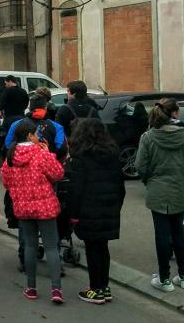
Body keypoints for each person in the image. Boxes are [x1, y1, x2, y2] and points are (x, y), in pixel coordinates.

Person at [134, 98, 184, 293]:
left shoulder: (148, 137)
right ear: (174, 113)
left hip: (158, 191)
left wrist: (148, 180)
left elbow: (140, 166)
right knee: (179, 232)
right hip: (182, 191)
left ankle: (164, 278)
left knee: (161, 235)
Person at [1, 120, 65, 304]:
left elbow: (6, 182)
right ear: (29, 135)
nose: (39, 137)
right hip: (45, 206)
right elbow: (58, 173)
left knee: (30, 246)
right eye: (37, 134)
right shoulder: (40, 154)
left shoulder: (10, 157)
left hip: (23, 207)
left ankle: (31, 287)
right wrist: (48, 154)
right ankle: (56, 289)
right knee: (51, 247)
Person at [66, 118, 125, 304]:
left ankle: (95, 289)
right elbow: (120, 186)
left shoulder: (79, 158)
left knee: (92, 249)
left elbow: (75, 189)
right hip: (109, 207)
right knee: (103, 248)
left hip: (88, 208)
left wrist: (73, 214)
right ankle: (105, 287)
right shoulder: (113, 155)